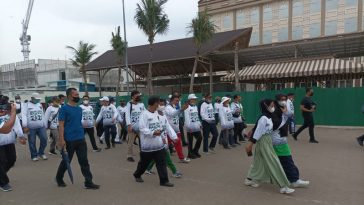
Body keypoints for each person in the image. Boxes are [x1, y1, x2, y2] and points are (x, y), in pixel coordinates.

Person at [244, 99, 295, 194]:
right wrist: (250, 144)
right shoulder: (263, 118)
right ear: (265, 106)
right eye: (271, 105)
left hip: (267, 141)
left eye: (273, 105)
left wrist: (284, 113)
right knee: (274, 162)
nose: (273, 107)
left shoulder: (268, 116)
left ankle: (249, 179)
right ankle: (283, 186)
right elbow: (258, 131)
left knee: (258, 161)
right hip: (263, 141)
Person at [56, 88, 100, 189]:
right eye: (75, 95)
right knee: (66, 161)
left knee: (84, 161)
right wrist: (61, 140)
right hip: (69, 140)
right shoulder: (64, 109)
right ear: (69, 97)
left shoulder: (79, 109)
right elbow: (61, 125)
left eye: (77, 94)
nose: (77, 96)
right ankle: (59, 178)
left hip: (80, 138)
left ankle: (88, 182)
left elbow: (77, 122)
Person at [133, 96, 174, 187]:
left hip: (159, 145)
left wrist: (162, 134)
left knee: (162, 163)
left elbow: (161, 125)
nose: (159, 105)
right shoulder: (144, 114)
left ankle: (164, 181)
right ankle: (137, 174)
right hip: (147, 146)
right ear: (154, 103)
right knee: (143, 164)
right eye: (158, 103)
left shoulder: (157, 113)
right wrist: (153, 133)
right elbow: (142, 128)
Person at [272, 94, 310, 188]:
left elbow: (290, 114)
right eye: (281, 99)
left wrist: (285, 111)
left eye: (285, 99)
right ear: (276, 101)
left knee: (270, 160)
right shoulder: (275, 111)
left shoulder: (283, 109)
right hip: (278, 140)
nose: (284, 101)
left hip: (281, 139)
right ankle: (294, 180)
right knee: (287, 160)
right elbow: (275, 125)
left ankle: (251, 178)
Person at [145, 99, 182, 178]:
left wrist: (174, 137)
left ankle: (147, 168)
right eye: (159, 105)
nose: (162, 106)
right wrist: (161, 138)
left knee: (156, 156)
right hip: (158, 140)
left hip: (163, 139)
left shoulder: (164, 116)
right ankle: (174, 171)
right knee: (166, 157)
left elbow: (168, 127)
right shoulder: (154, 116)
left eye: (163, 105)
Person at [0, 97, 26, 192]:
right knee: (2, 161)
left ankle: (1, 175)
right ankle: (4, 182)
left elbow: (16, 124)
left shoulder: (10, 114)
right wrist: (13, 113)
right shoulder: (11, 114)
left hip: (9, 141)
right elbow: (5, 129)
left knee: (12, 160)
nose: (3, 111)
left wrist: (21, 136)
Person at [22, 93, 48, 161]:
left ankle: (41, 153)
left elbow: (42, 114)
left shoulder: (39, 104)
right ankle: (34, 155)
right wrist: (25, 125)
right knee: (32, 142)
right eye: (37, 99)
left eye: (39, 99)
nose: (38, 100)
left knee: (44, 139)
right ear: (32, 98)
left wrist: (45, 124)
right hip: (31, 127)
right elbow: (24, 115)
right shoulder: (26, 105)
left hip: (41, 126)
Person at [165, 95, 190, 163]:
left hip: (176, 130)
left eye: (178, 101)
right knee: (164, 147)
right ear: (171, 100)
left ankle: (181, 158)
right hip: (169, 131)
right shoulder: (168, 107)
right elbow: (172, 114)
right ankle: (150, 165)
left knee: (178, 144)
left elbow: (175, 116)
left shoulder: (174, 107)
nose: (177, 102)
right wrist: (181, 109)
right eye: (176, 100)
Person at [125, 90, 145, 162]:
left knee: (142, 141)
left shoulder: (141, 104)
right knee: (130, 142)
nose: (139, 97)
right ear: (133, 96)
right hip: (132, 127)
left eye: (139, 95)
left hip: (140, 127)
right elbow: (127, 115)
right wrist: (129, 125)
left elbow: (144, 114)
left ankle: (143, 154)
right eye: (137, 95)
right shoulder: (129, 104)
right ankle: (129, 156)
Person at [184, 94, 202, 159]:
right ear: (190, 100)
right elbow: (187, 118)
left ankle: (195, 151)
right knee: (190, 141)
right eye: (193, 99)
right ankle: (190, 154)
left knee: (200, 138)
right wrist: (189, 127)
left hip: (196, 126)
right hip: (190, 127)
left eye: (195, 99)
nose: (194, 100)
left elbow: (196, 116)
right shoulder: (187, 107)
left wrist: (200, 124)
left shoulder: (195, 107)